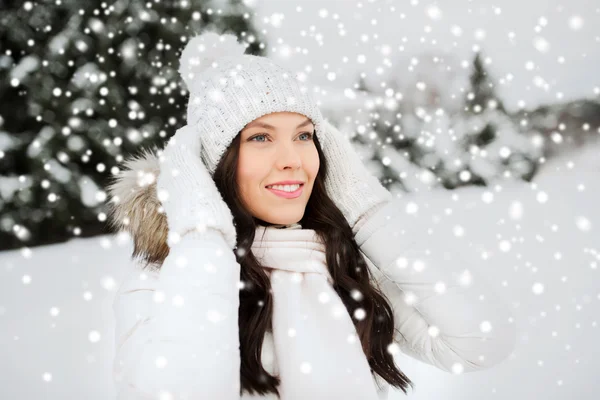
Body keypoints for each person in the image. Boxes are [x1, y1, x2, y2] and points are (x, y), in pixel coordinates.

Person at [106, 30, 517, 400]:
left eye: (304, 136)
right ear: (212, 164)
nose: (293, 160)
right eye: (261, 137)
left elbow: (480, 343)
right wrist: (201, 232)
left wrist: (364, 208)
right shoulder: (165, 282)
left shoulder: (339, 265)